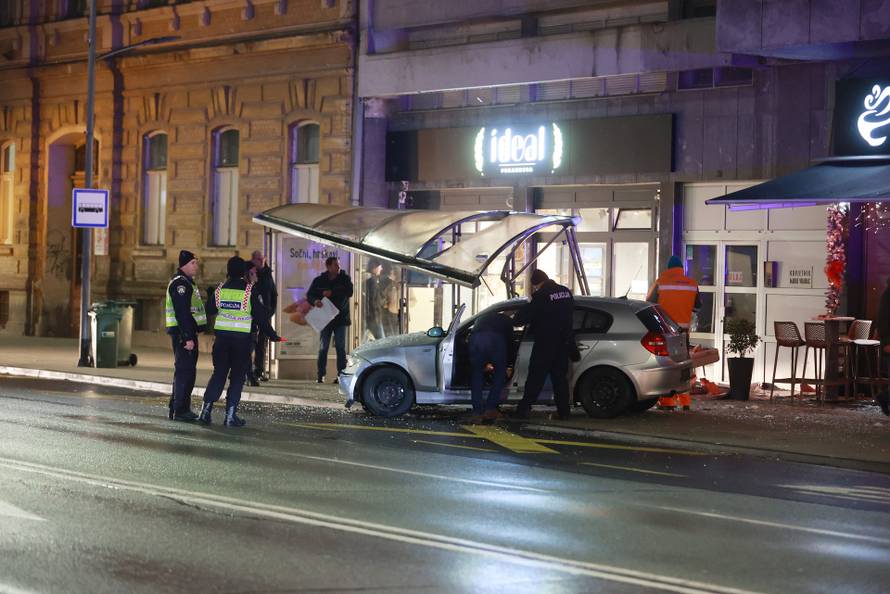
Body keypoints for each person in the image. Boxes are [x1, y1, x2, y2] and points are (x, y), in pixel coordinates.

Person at [199, 257, 283, 427]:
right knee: (237, 377)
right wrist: (273, 335)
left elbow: (209, 310)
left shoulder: (220, 290)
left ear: (228, 271)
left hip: (222, 342)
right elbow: (261, 318)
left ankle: (205, 411)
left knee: (219, 374)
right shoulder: (249, 292)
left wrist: (211, 295)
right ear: (244, 272)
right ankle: (230, 416)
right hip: (242, 343)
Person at [511, 269, 574, 420]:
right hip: (562, 344)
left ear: (536, 284)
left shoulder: (542, 295)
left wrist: (514, 319)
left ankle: (523, 410)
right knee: (560, 380)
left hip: (545, 343)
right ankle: (564, 413)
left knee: (535, 378)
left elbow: (524, 316)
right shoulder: (565, 292)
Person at [646, 255, 701, 411]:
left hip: (665, 332)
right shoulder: (692, 284)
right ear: (681, 269)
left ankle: (668, 403)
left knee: (667, 366)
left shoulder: (660, 283)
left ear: (668, 268)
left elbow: (649, 304)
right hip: (683, 333)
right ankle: (685, 401)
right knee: (684, 366)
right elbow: (697, 307)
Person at [165, 250, 207, 421]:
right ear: (184, 265)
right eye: (193, 263)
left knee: (185, 371)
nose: (196, 266)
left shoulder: (188, 283)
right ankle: (181, 410)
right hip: (183, 335)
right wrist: (188, 337)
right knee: (185, 372)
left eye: (196, 262)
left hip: (186, 333)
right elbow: (182, 313)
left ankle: (176, 406)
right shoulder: (180, 284)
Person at [307, 256, 354, 383]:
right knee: (323, 347)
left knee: (340, 347)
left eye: (338, 264)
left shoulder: (344, 279)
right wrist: (315, 301)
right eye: (335, 265)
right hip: (325, 318)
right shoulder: (319, 280)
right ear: (328, 267)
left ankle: (341, 376)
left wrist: (332, 292)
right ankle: (320, 375)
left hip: (340, 318)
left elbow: (350, 292)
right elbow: (310, 295)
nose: (338, 267)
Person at [468, 311, 514, 423]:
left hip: (476, 338)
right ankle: (490, 409)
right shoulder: (507, 320)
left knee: (477, 374)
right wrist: (509, 362)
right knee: (500, 373)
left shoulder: (484, 316)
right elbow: (510, 341)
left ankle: (477, 412)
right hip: (496, 339)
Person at [249, 250, 277, 383]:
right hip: (251, 315)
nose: (261, 262)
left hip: (265, 314)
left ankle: (259, 370)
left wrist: (271, 310)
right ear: (253, 259)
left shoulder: (267, 273)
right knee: (250, 344)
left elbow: (273, 293)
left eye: (263, 259)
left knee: (262, 344)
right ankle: (247, 371)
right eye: (258, 259)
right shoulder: (250, 272)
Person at [877, 277, 890, 416]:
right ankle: (884, 398)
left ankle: (884, 397)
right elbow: (883, 320)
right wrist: (887, 342)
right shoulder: (887, 296)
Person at [364, 259, 386, 340]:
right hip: (374, 317)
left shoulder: (370, 279)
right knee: (381, 340)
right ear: (374, 267)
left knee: (367, 338)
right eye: (380, 267)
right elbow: (373, 300)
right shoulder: (373, 280)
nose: (381, 269)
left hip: (371, 316)